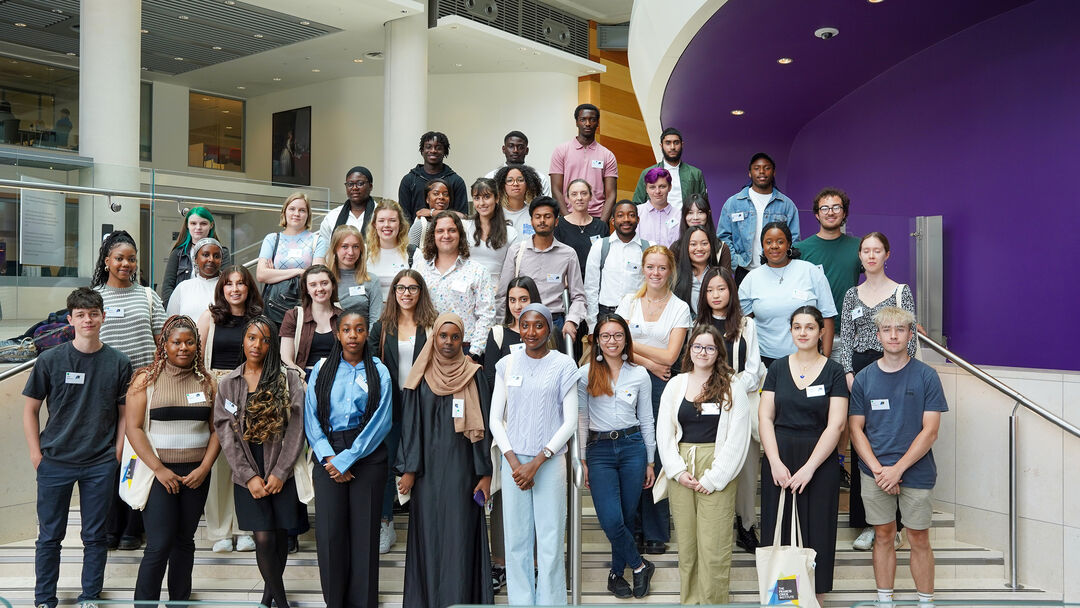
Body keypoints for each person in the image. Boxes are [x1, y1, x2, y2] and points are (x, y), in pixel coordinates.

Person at [22, 288, 133, 608]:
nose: (88, 320)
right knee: (49, 537)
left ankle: (89, 596)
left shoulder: (118, 362)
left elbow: (125, 412)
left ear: (103, 317)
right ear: (70, 319)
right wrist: (35, 454)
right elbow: (30, 409)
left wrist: (117, 451)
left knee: (95, 536)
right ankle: (44, 598)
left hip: (99, 462)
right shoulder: (50, 360)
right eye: (81, 315)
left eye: (94, 313)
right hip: (54, 460)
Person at [849, 306, 947, 605]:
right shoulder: (864, 378)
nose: (894, 335)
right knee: (883, 535)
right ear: (878, 335)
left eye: (900, 329)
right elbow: (855, 431)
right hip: (874, 473)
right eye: (887, 330)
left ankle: (926, 601)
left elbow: (930, 431)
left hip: (916, 472)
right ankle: (884, 600)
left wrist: (898, 469)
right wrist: (880, 469)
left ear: (910, 334)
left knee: (918, 538)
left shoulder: (927, 376)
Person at [397, 313, 495, 607]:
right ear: (434, 338)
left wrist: (485, 473)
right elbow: (410, 425)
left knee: (459, 539)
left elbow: (484, 427)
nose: (449, 342)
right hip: (426, 473)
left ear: (463, 339)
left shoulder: (475, 374)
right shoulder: (420, 374)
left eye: (455, 337)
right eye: (443, 336)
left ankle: (461, 600)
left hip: (463, 473)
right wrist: (410, 469)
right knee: (429, 538)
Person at [489, 303, 579, 606]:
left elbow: (570, 421)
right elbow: (494, 419)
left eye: (538, 325)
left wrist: (538, 460)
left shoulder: (564, 364)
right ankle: (521, 602)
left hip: (549, 463)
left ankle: (551, 602)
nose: (531, 332)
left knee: (551, 540)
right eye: (525, 325)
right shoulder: (508, 364)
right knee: (516, 541)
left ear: (549, 327)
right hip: (513, 462)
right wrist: (514, 462)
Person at [214, 316, 307, 608]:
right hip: (247, 470)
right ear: (243, 340)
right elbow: (225, 431)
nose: (257, 345)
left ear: (273, 344)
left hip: (282, 468)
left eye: (265, 339)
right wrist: (248, 476)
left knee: (280, 537)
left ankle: (268, 598)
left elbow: (298, 427)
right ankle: (281, 602)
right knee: (264, 538)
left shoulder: (287, 378)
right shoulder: (229, 383)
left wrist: (280, 471)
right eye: (252, 337)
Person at [758, 306, 848, 604]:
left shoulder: (834, 371)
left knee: (818, 528)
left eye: (810, 327)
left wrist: (810, 467)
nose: (803, 333)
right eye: (797, 327)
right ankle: (787, 599)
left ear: (822, 331)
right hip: (780, 458)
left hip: (819, 461)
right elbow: (765, 419)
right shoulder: (777, 369)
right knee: (781, 530)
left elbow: (836, 425)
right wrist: (774, 461)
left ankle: (815, 597)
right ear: (791, 330)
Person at [127, 315, 220, 602]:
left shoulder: (208, 381)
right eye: (176, 342)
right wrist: (159, 469)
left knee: (185, 542)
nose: (183, 348)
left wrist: (205, 467)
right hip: (157, 474)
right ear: (163, 344)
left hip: (196, 474)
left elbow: (217, 429)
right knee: (159, 544)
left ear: (197, 345)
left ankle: (179, 600)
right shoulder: (146, 380)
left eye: (189, 342)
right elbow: (133, 427)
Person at [304, 310, 393, 608]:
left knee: (364, 534)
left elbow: (382, 420)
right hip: (328, 449)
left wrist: (348, 459)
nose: (353, 335)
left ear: (367, 333)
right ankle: (336, 602)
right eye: (347, 330)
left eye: (359, 329)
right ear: (338, 333)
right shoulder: (322, 368)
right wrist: (329, 456)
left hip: (366, 453)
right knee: (330, 533)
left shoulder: (378, 371)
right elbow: (311, 414)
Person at [656, 324, 750, 604]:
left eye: (710, 347)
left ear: (718, 352)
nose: (703, 352)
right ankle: (690, 601)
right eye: (697, 346)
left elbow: (738, 438)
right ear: (690, 349)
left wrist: (713, 479)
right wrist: (677, 471)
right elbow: (665, 432)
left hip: (718, 467)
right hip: (682, 468)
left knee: (714, 547)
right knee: (687, 546)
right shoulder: (676, 384)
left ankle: (713, 602)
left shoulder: (734, 386)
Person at [839, 231, 918, 550]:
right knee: (862, 444)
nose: (871, 256)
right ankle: (867, 523)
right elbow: (845, 336)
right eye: (866, 251)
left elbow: (910, 336)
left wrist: (901, 374)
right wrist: (847, 372)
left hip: (894, 369)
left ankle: (896, 524)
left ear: (888, 254)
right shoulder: (851, 294)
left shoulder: (901, 292)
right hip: (860, 373)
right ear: (860, 256)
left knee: (894, 440)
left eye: (877, 250)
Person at [615, 244, 692, 554]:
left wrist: (632, 348)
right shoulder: (627, 303)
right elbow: (613, 345)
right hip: (627, 383)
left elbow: (672, 355)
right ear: (643, 269)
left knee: (658, 453)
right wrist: (648, 361)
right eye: (651, 267)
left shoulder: (680, 307)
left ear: (670, 271)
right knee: (632, 455)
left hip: (663, 387)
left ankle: (656, 530)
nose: (656, 273)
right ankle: (632, 528)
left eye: (662, 268)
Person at [578, 314, 657, 599]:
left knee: (625, 515)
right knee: (611, 519)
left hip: (632, 446)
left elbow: (647, 419)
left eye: (617, 335)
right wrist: (582, 459)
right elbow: (581, 418)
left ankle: (616, 573)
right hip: (599, 452)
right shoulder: (585, 373)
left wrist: (650, 459)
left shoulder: (639, 374)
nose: (611, 341)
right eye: (606, 336)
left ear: (626, 339)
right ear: (597, 340)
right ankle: (639, 566)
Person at [696, 266, 765, 553]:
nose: (716, 294)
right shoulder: (697, 325)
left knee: (747, 470)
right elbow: (695, 365)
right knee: (716, 466)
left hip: (742, 402)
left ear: (731, 291)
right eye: (710, 289)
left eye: (721, 288)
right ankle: (717, 525)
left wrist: (731, 387)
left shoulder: (747, 324)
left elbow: (754, 368)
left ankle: (746, 525)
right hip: (709, 406)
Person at [368, 269, 438, 554]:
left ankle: (428, 524)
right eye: (400, 288)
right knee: (387, 467)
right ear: (393, 292)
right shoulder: (381, 327)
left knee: (426, 464)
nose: (406, 293)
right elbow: (372, 366)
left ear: (421, 292)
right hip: (391, 405)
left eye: (412, 288)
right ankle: (386, 524)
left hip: (425, 404)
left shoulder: (432, 325)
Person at [196, 265, 262, 554]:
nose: (235, 289)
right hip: (216, 392)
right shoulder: (210, 317)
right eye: (229, 284)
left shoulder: (259, 320)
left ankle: (244, 527)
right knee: (219, 461)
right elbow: (197, 360)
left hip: (249, 392)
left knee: (247, 461)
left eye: (241, 283)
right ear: (222, 289)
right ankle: (220, 531)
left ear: (249, 288)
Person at [738, 222, 837, 367]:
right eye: (768, 242)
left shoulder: (810, 271)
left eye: (780, 241)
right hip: (765, 361)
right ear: (762, 246)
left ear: (789, 244)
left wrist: (825, 360)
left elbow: (827, 317)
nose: (774, 246)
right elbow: (743, 323)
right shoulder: (752, 278)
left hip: (809, 358)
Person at [495, 196, 586, 342]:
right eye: (537, 217)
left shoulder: (568, 254)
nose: (542, 220)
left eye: (547, 216)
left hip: (554, 323)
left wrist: (571, 321)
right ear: (531, 221)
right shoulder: (517, 251)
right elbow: (502, 294)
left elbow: (578, 296)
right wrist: (502, 327)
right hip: (521, 321)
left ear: (556, 221)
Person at [415, 211, 495, 358]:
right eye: (440, 231)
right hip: (428, 348)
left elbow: (487, 315)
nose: (446, 235)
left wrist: (474, 353)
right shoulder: (420, 269)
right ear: (433, 235)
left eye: (452, 230)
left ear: (460, 235)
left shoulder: (477, 271)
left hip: (466, 349)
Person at [717, 153, 800, 281]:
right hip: (744, 271)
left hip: (777, 271)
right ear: (750, 173)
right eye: (756, 168)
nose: (762, 172)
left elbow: (794, 240)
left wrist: (784, 263)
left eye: (767, 168)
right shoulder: (734, 203)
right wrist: (736, 262)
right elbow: (723, 237)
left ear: (774, 172)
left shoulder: (787, 205)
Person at [798, 188, 861, 358]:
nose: (830, 212)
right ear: (817, 214)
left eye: (836, 207)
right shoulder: (801, 250)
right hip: (811, 334)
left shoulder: (859, 247)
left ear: (844, 212)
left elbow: (876, 283)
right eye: (824, 208)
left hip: (848, 333)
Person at [584, 200, 647, 331]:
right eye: (620, 215)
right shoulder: (601, 246)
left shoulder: (647, 248)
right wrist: (591, 326)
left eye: (631, 215)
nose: (626, 219)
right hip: (606, 314)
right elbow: (591, 288)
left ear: (638, 219)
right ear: (612, 221)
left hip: (636, 315)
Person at [550, 103, 618, 220]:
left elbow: (611, 194)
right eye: (583, 119)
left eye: (592, 120)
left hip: (597, 217)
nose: (588, 123)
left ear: (597, 123)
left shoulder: (607, 155)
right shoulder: (561, 151)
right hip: (568, 216)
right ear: (576, 122)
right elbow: (556, 189)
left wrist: (601, 223)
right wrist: (567, 219)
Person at [160, 207, 232, 308]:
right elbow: (167, 287)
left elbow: (228, 282)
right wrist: (174, 312)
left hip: (215, 307)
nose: (198, 227)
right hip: (185, 308)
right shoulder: (178, 253)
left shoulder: (222, 252)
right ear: (187, 225)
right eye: (193, 223)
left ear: (211, 225)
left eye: (203, 223)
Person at [280, 265, 343, 376]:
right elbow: (286, 358)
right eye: (313, 285)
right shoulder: (293, 316)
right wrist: (303, 382)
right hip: (304, 376)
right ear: (307, 290)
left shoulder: (343, 317)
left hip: (338, 376)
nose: (319, 289)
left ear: (333, 285)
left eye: (324, 283)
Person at [257, 192, 317, 303]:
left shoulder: (317, 240)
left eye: (302, 210)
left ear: (308, 214)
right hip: (275, 305)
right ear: (284, 212)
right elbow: (261, 275)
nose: (296, 213)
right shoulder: (272, 239)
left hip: (306, 304)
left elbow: (317, 276)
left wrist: (275, 274)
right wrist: (299, 271)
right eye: (292, 209)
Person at [398, 131, 469, 221]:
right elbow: (404, 216)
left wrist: (431, 213)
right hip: (415, 233)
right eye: (428, 147)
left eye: (438, 148)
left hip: (447, 233)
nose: (433, 150)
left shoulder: (456, 181)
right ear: (422, 150)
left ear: (445, 151)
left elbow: (463, 217)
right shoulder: (409, 180)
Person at [631, 127, 707, 208]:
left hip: (686, 219)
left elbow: (703, 206)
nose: (672, 147)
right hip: (656, 219)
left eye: (676, 143)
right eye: (668, 143)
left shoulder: (695, 173)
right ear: (661, 146)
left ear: (682, 145)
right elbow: (637, 205)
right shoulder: (648, 173)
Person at [314, 166, 376, 263]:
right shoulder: (333, 216)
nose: (355, 188)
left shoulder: (380, 214)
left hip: (371, 271)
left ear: (370, 186)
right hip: (338, 273)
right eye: (350, 184)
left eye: (360, 183)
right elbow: (324, 250)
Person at [324, 225, 383, 324]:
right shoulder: (325, 280)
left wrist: (369, 339)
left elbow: (376, 320)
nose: (351, 252)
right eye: (344, 246)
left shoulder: (371, 280)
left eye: (355, 246)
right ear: (335, 249)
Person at [465, 177, 518, 285]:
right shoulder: (465, 227)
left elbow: (513, 269)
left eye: (487, 197)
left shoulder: (510, 233)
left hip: (497, 292)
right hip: (467, 290)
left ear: (497, 198)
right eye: (477, 198)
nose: (481, 203)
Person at [553, 178, 609, 274]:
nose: (579, 198)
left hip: (595, 281)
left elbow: (606, 258)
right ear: (568, 198)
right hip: (568, 281)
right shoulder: (559, 224)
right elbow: (555, 257)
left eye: (584, 193)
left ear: (591, 196)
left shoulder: (601, 226)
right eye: (574, 194)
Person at [365, 200, 415, 303]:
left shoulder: (413, 254)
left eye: (392, 220)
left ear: (400, 224)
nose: (386, 225)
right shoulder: (364, 252)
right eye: (381, 220)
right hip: (370, 314)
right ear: (374, 224)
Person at [166, 238, 224, 321]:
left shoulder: (227, 288)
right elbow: (171, 322)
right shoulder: (183, 288)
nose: (211, 259)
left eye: (216, 256)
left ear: (221, 260)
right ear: (195, 259)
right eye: (205, 255)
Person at [673, 226, 723, 317]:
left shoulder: (720, 276)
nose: (699, 248)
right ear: (686, 247)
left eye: (704, 243)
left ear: (711, 246)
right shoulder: (675, 277)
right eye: (693, 244)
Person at [485, 130, 552, 196]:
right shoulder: (491, 177)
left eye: (520, 147)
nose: (515, 150)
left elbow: (545, 205)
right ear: (504, 149)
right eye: (511, 146)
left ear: (527, 150)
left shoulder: (539, 179)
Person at [681, 193, 731, 271]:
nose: (695, 217)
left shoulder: (721, 248)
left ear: (708, 214)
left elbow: (725, 281)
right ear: (684, 215)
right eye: (690, 213)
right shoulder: (676, 248)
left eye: (700, 212)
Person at [636, 168, 682, 248]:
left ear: (670, 187)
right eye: (652, 187)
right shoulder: (636, 212)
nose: (657, 191)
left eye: (662, 186)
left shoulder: (680, 216)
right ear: (646, 189)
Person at [495, 163, 544, 237]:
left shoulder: (534, 213)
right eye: (509, 180)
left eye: (520, 180)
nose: (515, 184)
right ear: (502, 186)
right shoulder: (495, 213)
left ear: (528, 184)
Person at [408, 178, 454, 248]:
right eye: (436, 194)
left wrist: (431, 212)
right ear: (427, 199)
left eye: (445, 194)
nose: (441, 197)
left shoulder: (456, 222)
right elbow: (410, 254)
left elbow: (462, 217)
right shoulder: (421, 225)